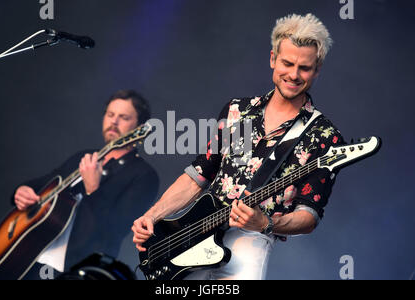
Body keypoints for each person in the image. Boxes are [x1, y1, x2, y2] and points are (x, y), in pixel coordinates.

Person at [132, 14, 345, 280]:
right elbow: (200, 175)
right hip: (197, 234)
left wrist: (267, 223)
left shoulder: (323, 135)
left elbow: (308, 215)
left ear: (317, 69)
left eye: (304, 68)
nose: (293, 74)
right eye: (287, 63)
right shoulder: (239, 111)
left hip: (251, 242)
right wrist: (152, 216)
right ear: (272, 59)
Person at [14, 90, 159, 279]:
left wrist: (93, 190)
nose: (113, 122)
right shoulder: (83, 158)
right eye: (110, 114)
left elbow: (115, 229)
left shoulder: (144, 176)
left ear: (139, 126)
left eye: (123, 117)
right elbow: (44, 183)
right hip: (32, 258)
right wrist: (22, 190)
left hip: (80, 270)